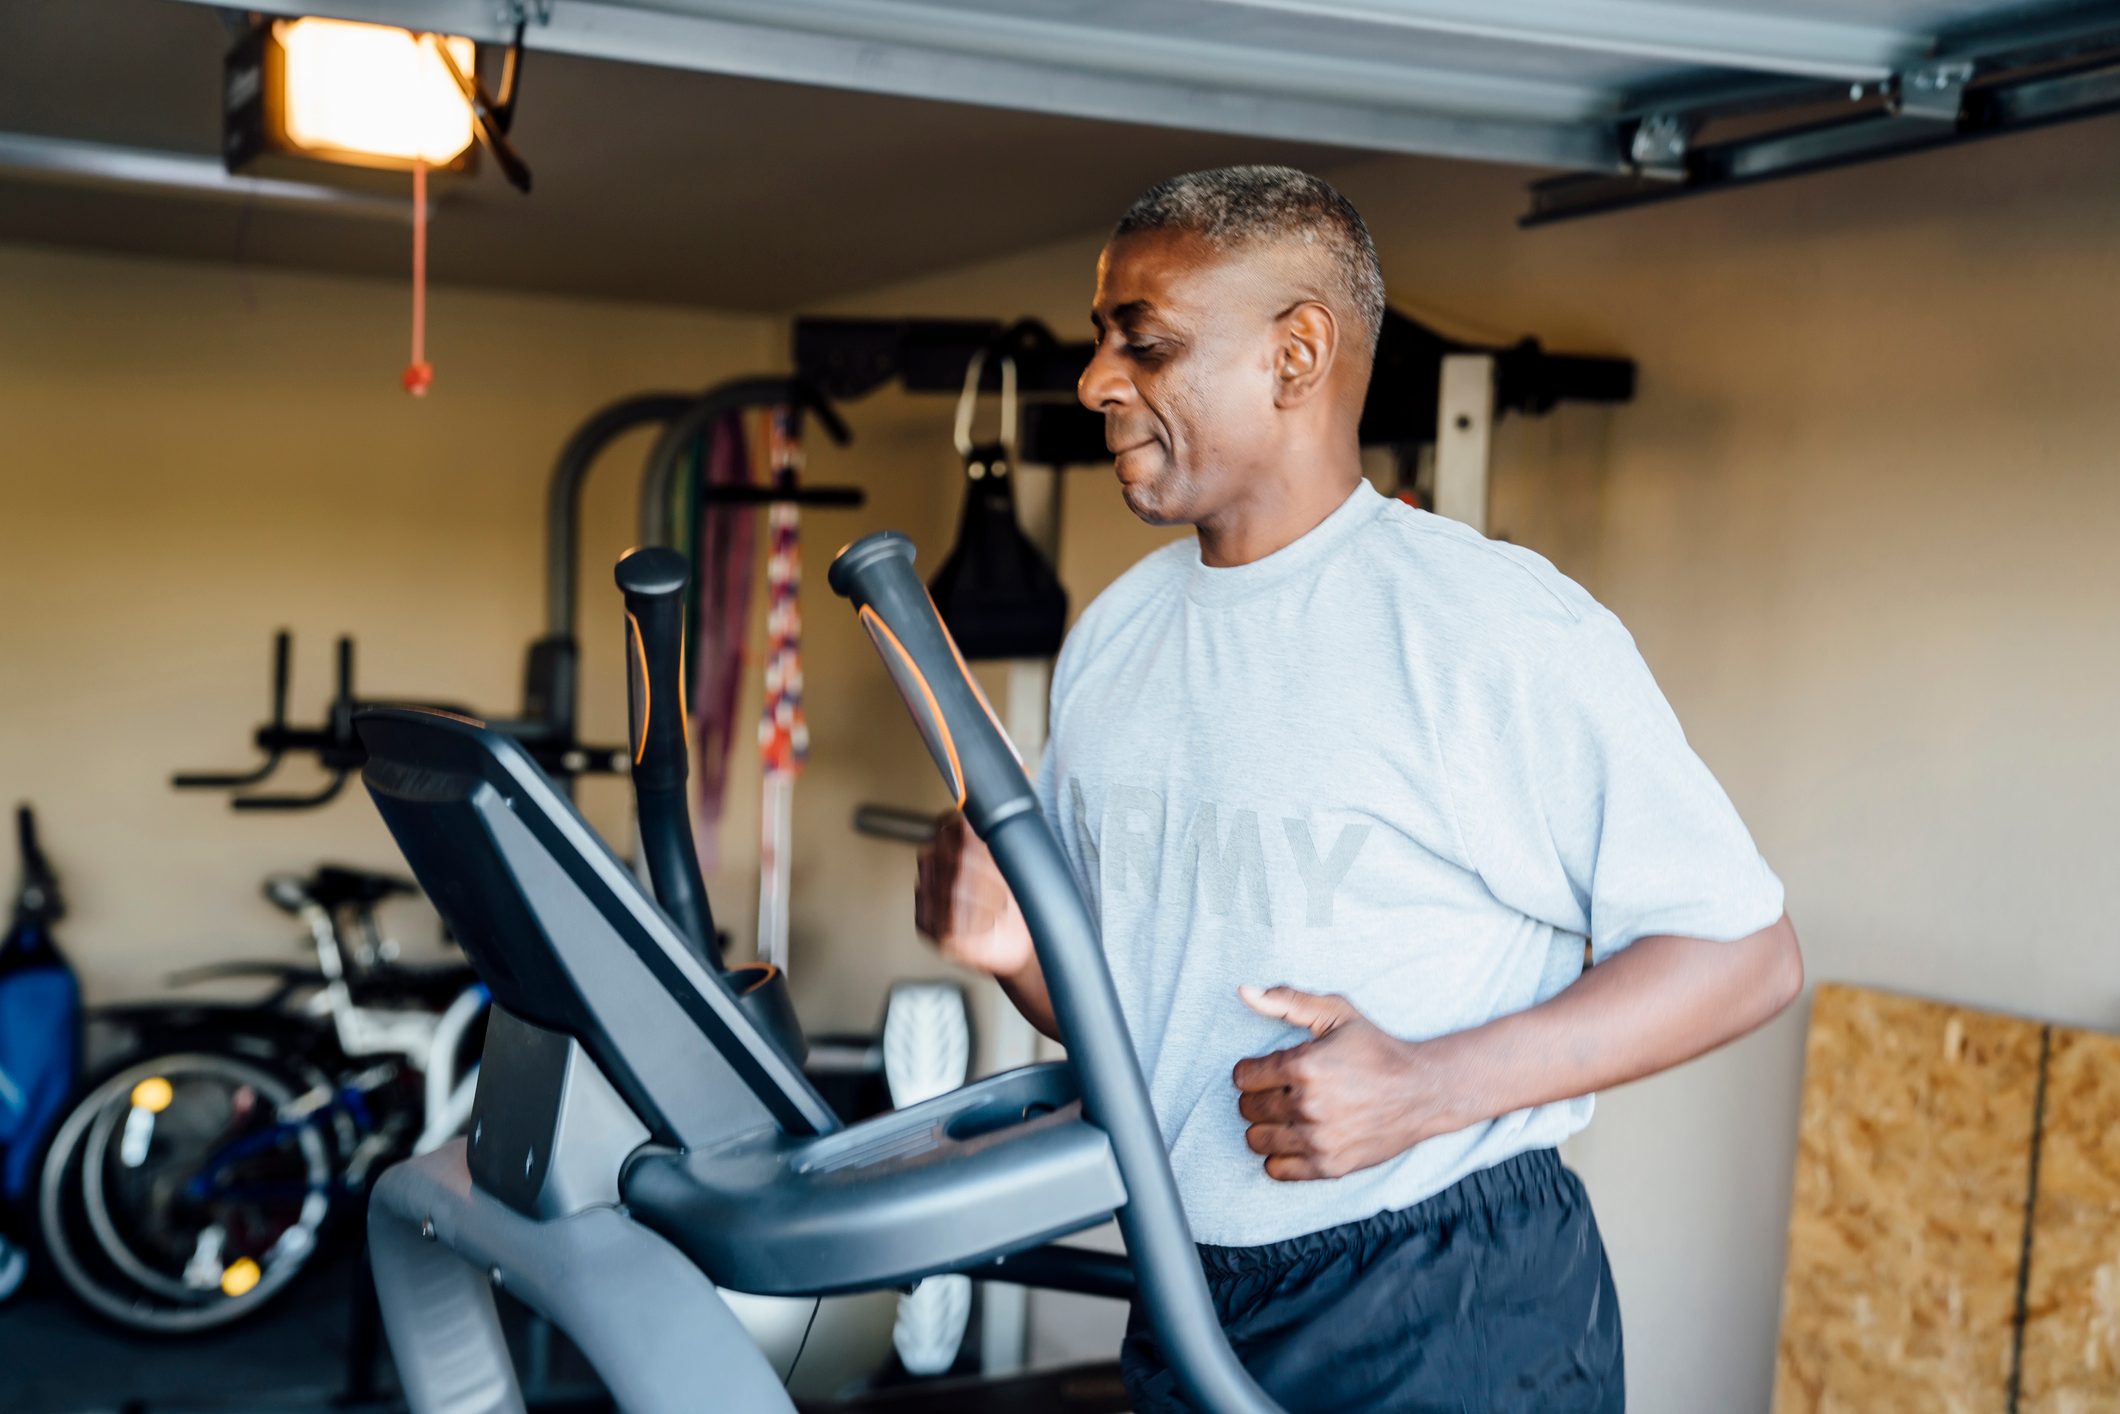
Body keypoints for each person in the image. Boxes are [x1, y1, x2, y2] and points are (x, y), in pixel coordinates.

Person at [914, 166, 1801, 1412]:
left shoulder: (1485, 624)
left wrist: (1433, 1085)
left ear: (1296, 355)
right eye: (1101, 343)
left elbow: (1744, 954)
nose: (1096, 382)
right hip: (1190, 1284)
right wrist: (1012, 954)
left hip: (1447, 1292)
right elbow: (1133, 1023)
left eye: (1143, 344)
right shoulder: (1116, 638)